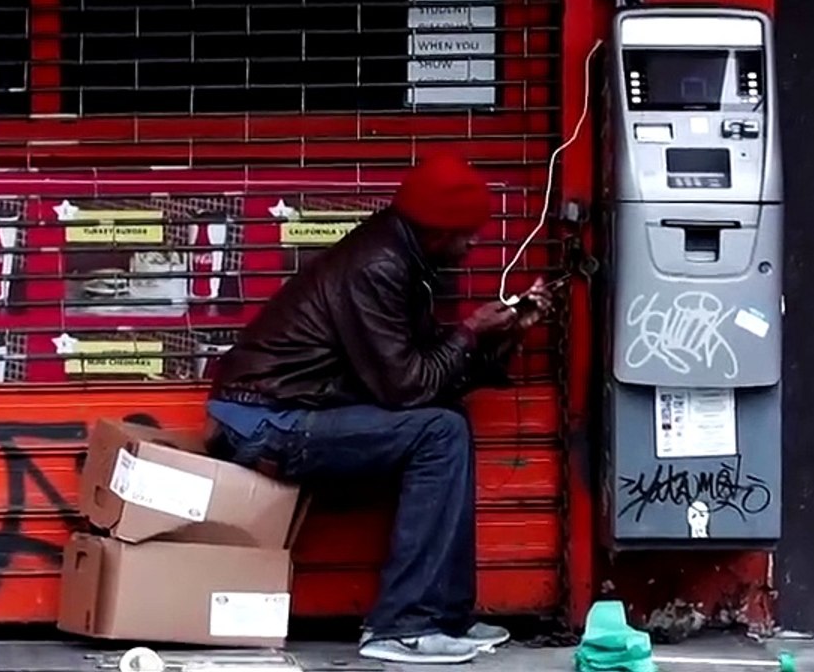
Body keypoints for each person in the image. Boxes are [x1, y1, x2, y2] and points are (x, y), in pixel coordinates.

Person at [206, 152, 555, 666]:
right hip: (263, 418)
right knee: (438, 430)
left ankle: (442, 616)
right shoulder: (378, 267)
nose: (473, 243)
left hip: (291, 409)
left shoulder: (406, 259)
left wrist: (506, 334)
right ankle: (402, 626)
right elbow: (408, 388)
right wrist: (469, 331)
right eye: (466, 233)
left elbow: (427, 369)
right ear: (436, 231)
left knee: (448, 422)